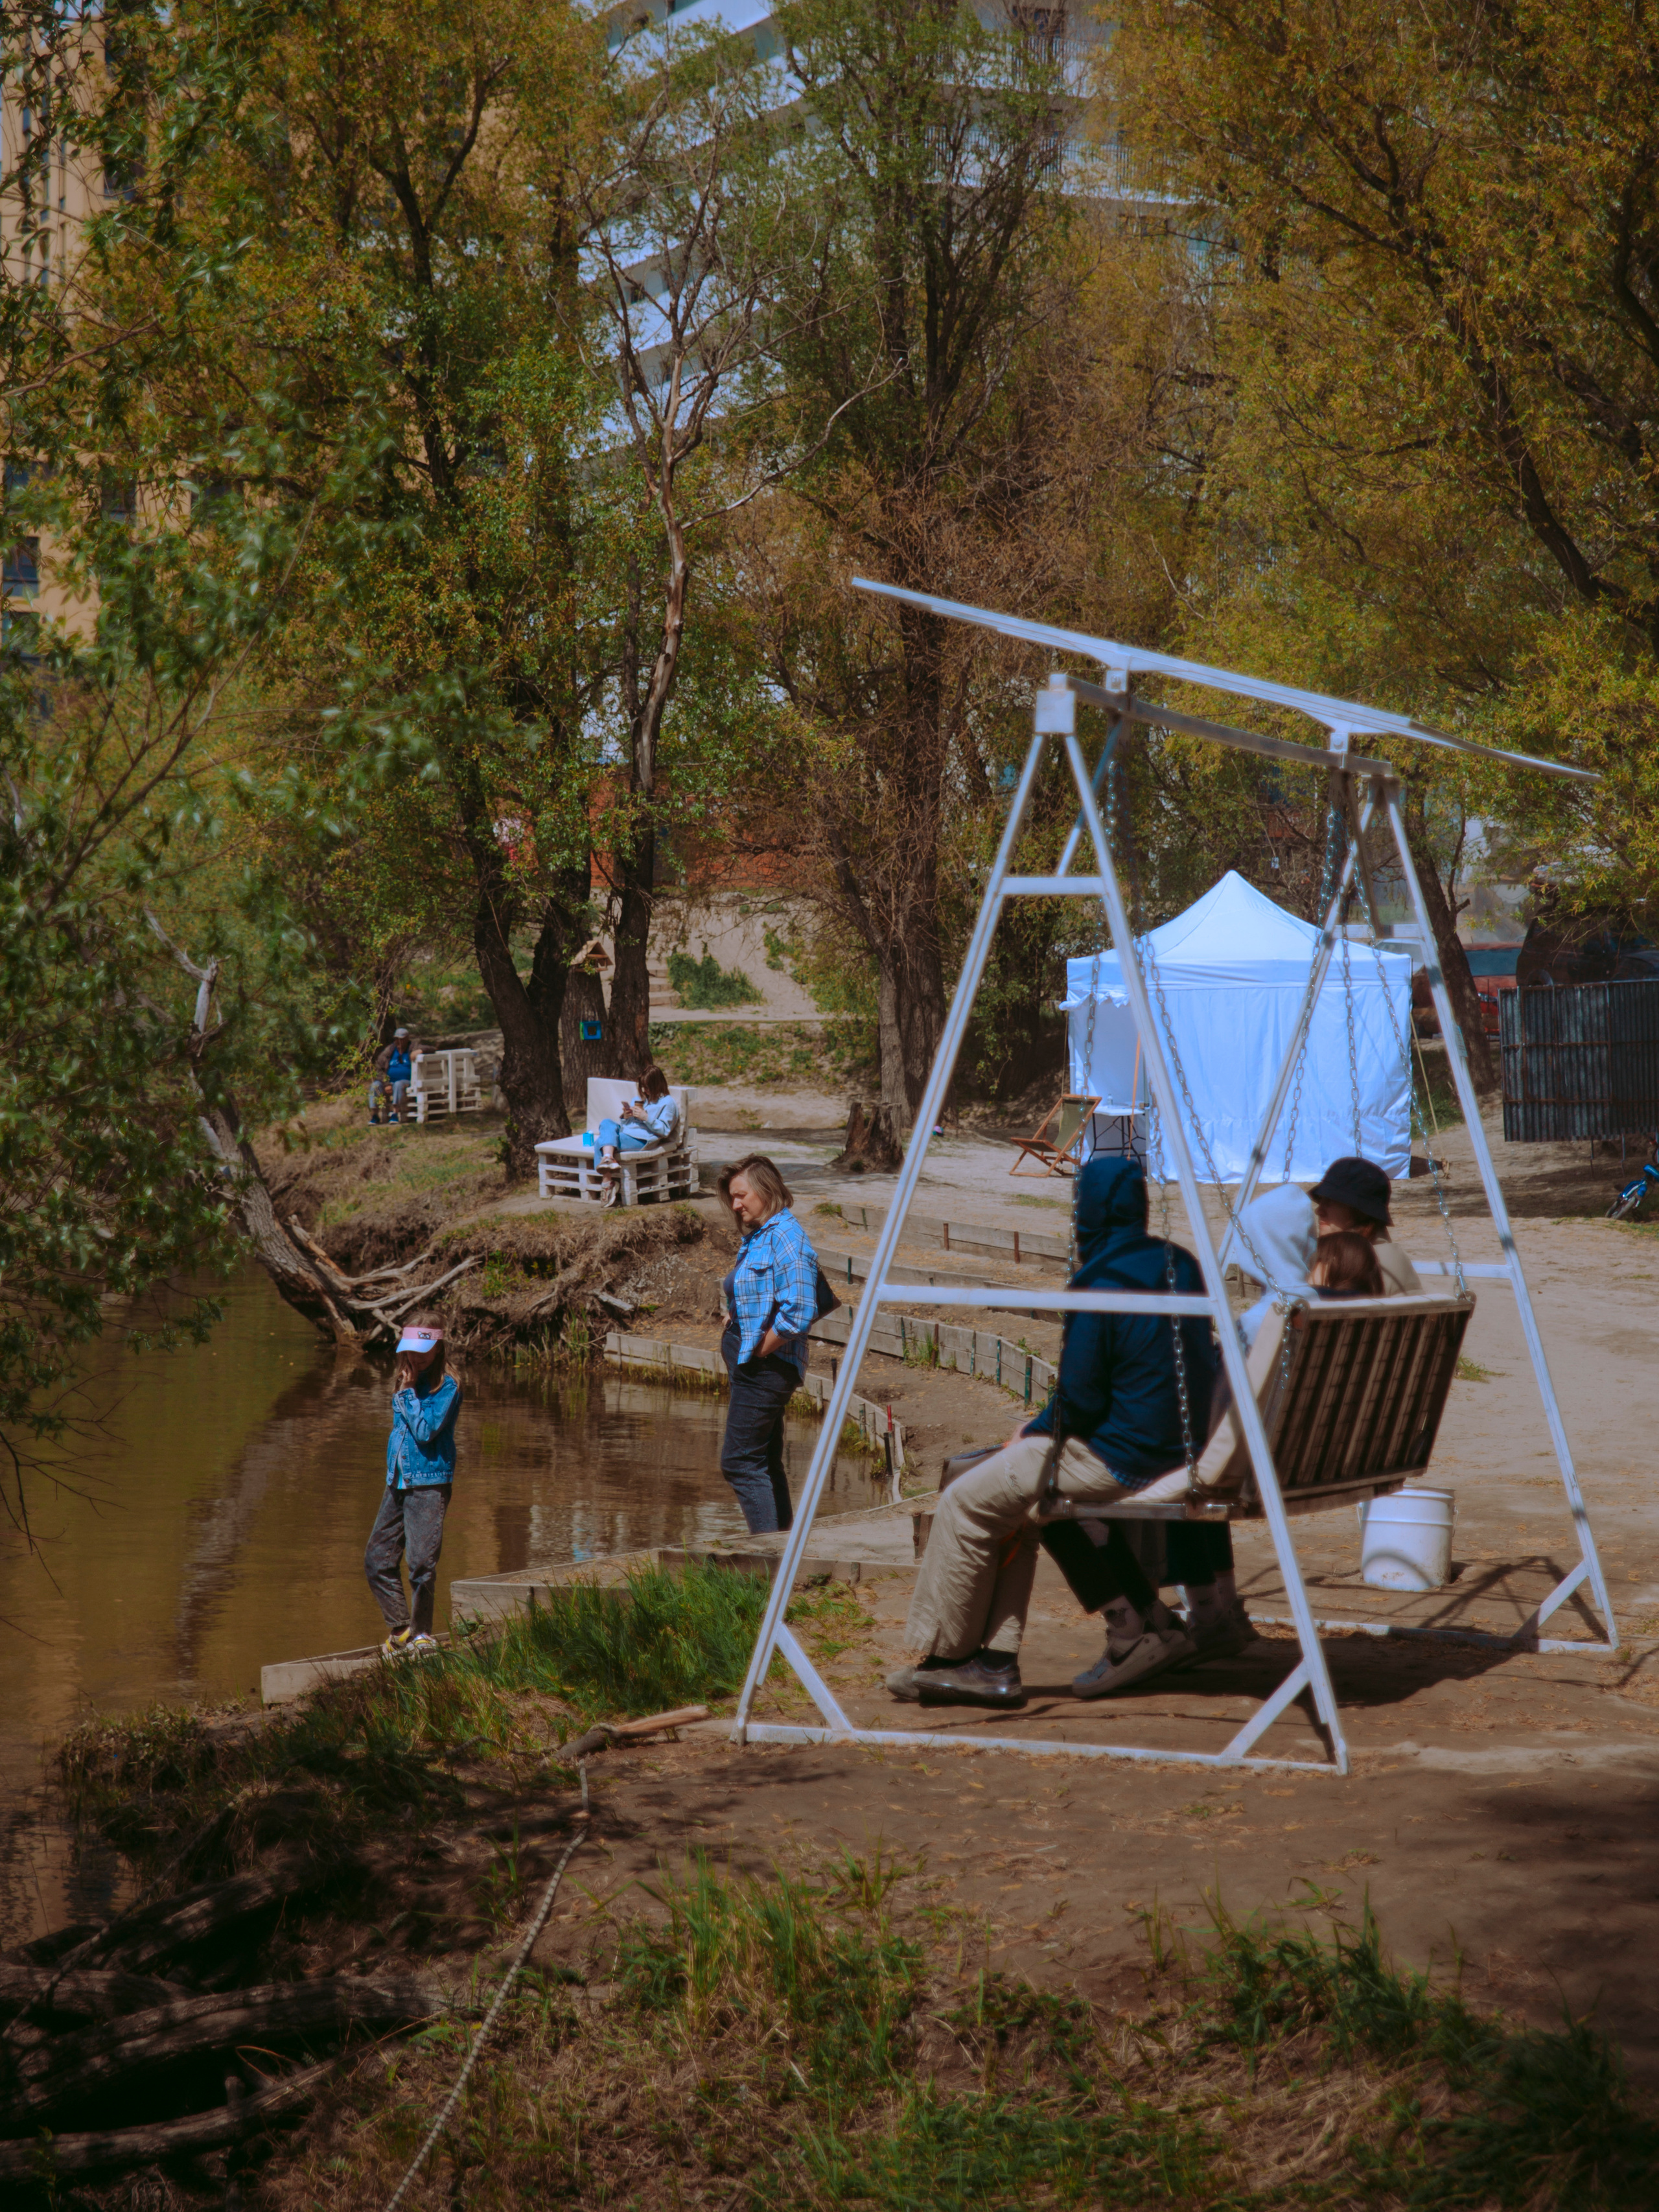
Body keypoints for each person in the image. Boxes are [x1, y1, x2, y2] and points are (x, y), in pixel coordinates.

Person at [890, 1156, 1220, 1710]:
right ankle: (996, 1661)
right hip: (1180, 1447)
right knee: (1020, 1502)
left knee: (964, 1500)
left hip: (1124, 1456)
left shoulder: (1101, 1278)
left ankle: (948, 1658)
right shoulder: (1181, 1262)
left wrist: (1032, 1431)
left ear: (1087, 1212)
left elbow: (1080, 1399)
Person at [718, 1153, 819, 1533]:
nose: (735, 1205)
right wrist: (736, 1315)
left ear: (766, 1190)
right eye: (732, 1197)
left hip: (766, 1368)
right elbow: (758, 1289)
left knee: (741, 1462)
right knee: (763, 1459)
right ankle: (782, 1549)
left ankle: (765, 1559)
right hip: (755, 1366)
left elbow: (800, 1309)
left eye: (741, 1195)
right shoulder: (764, 1233)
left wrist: (761, 1348)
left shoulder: (786, 1238)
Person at [364, 1318, 461, 1654]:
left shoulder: (447, 1386)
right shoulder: (406, 1380)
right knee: (377, 1559)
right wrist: (405, 1388)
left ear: (438, 1347)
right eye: (410, 1351)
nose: (416, 1358)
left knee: (421, 1563)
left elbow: (425, 1432)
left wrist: (407, 1393)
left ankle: (422, 1635)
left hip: (430, 1483)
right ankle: (402, 1629)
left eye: (423, 1351)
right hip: (398, 1480)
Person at [1309, 1156, 1421, 1294]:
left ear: (1359, 1211)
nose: (1319, 1211)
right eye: (1321, 1201)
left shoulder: (1362, 1264)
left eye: (1330, 1202)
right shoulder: (1386, 1254)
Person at [594, 1067, 679, 1207]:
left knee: (601, 1143)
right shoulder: (641, 1100)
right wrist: (626, 1117)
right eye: (643, 1087)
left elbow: (665, 1131)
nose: (645, 1090)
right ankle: (608, 1160)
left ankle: (607, 1182)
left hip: (643, 1139)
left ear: (658, 1084)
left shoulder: (668, 1103)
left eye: (648, 1087)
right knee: (606, 1123)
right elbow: (629, 1126)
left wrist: (646, 1118)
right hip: (627, 1133)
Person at [1311, 1229, 1384, 1298]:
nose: (1307, 1268)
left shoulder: (1314, 1297)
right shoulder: (1370, 1302)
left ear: (1335, 1262)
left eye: (1312, 1261)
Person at [369, 1027, 419, 1126]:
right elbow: (379, 1067)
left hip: (405, 1081)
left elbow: (431, 1049)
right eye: (396, 1039)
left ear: (407, 1038)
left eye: (401, 1039)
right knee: (375, 1086)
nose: (398, 1041)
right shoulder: (390, 1050)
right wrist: (386, 1083)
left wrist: (419, 1051)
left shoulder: (413, 1047)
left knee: (398, 1084)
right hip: (388, 1082)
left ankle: (395, 1114)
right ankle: (375, 1115)